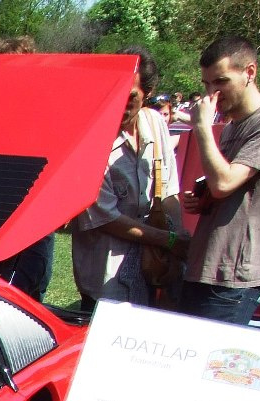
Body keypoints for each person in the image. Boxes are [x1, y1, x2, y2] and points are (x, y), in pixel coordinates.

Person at [178, 36, 260, 324]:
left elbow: (225, 183)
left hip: (235, 275)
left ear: (249, 72)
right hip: (207, 263)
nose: (212, 93)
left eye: (221, 81)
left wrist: (201, 126)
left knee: (211, 366)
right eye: (206, 84)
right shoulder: (232, 127)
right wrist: (203, 199)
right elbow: (224, 189)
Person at [70, 48, 187, 309]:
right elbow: (105, 218)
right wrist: (167, 240)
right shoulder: (90, 138)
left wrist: (175, 239)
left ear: (148, 92)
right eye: (115, 92)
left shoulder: (155, 122)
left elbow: (168, 189)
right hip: (108, 277)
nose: (121, 102)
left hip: (155, 269)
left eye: (131, 95)